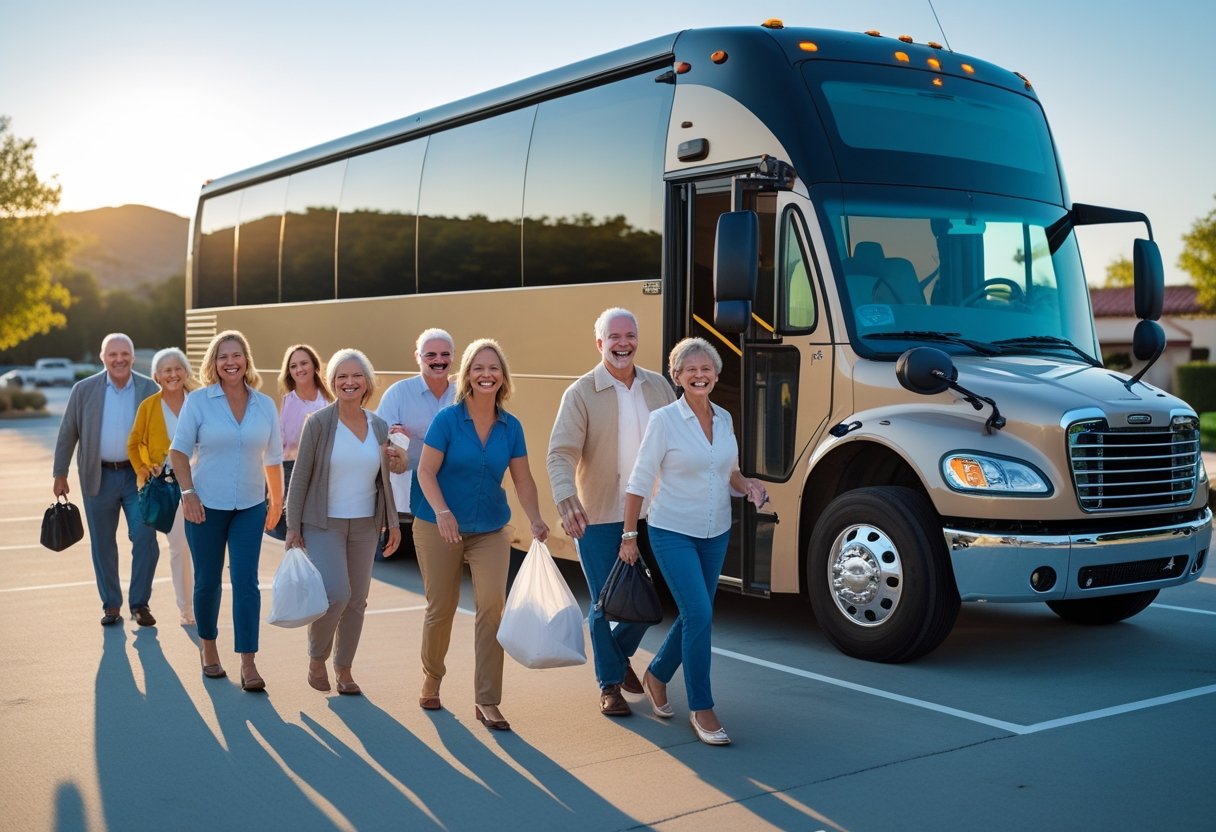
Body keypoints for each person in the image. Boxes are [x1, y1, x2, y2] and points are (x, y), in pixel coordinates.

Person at [621, 337, 767, 746]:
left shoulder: (724, 418)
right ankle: (702, 708)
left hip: (716, 531)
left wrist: (748, 486)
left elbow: (729, 472)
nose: (699, 375)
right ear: (678, 377)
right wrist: (630, 535)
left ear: (717, 376)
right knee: (701, 615)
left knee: (693, 615)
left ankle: (656, 674)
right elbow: (639, 479)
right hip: (672, 531)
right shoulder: (664, 420)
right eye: (691, 370)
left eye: (707, 369)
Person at [412, 338, 550, 731]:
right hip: (439, 524)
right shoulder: (448, 420)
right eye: (478, 368)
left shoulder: (512, 427)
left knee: (492, 605)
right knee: (441, 607)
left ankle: (487, 699)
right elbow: (425, 471)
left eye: (494, 368)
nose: (486, 374)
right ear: (467, 376)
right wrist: (442, 512)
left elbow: (523, 480)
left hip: (489, 527)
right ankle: (432, 676)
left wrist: (536, 519)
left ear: (503, 377)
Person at [547, 307, 675, 717]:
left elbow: (680, 441)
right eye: (614, 337)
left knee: (646, 600)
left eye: (630, 336)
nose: (623, 344)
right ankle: (610, 686)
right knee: (606, 601)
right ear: (600, 344)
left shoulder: (658, 387)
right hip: (599, 515)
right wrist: (567, 499)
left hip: (655, 515)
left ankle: (616, 660)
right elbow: (560, 454)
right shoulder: (581, 393)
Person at [169, 330, 283, 690]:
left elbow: (274, 458)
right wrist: (187, 493)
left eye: (236, 355)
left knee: (247, 582)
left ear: (246, 360)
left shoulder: (265, 404)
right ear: (213, 364)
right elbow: (178, 452)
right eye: (222, 356)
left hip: (250, 505)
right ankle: (209, 648)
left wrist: (277, 501)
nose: (230, 362)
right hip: (204, 505)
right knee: (207, 581)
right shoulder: (199, 401)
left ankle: (248, 661)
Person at [286, 348, 403, 695]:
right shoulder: (319, 423)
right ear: (333, 382)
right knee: (336, 593)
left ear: (366, 382)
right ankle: (316, 657)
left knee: (357, 599)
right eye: (341, 376)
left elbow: (386, 478)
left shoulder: (379, 426)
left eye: (356, 376)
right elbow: (301, 476)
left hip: (366, 524)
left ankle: (344, 669)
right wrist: (293, 526)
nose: (349, 382)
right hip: (324, 523)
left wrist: (393, 523)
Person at [54, 333, 161, 627]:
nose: (119, 359)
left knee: (145, 536)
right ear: (102, 358)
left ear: (133, 356)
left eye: (124, 353)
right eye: (112, 354)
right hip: (97, 475)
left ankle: (139, 603)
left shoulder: (149, 388)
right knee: (102, 543)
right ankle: (111, 605)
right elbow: (68, 433)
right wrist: (59, 473)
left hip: (138, 478)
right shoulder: (83, 390)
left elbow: (161, 430)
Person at [127, 347, 199, 626]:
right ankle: (187, 608)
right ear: (157, 376)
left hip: (202, 481)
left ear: (185, 372)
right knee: (179, 546)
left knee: (203, 547)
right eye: (166, 370)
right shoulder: (149, 406)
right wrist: (145, 468)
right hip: (168, 486)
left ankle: (203, 601)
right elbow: (133, 444)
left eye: (177, 368)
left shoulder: (198, 401)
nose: (172, 374)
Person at [377, 329, 456, 533]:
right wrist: (397, 439)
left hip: (452, 483)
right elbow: (379, 441)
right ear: (417, 357)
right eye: (430, 354)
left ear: (453, 356)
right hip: (407, 485)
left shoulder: (463, 394)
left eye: (445, 354)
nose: (438, 360)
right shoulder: (398, 393)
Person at [269, 344, 331, 540]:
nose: (299, 369)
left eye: (304, 363)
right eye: (293, 366)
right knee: (295, 534)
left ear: (314, 366)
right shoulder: (288, 401)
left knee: (321, 532)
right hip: (293, 471)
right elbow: (282, 443)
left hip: (325, 471)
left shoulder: (328, 398)